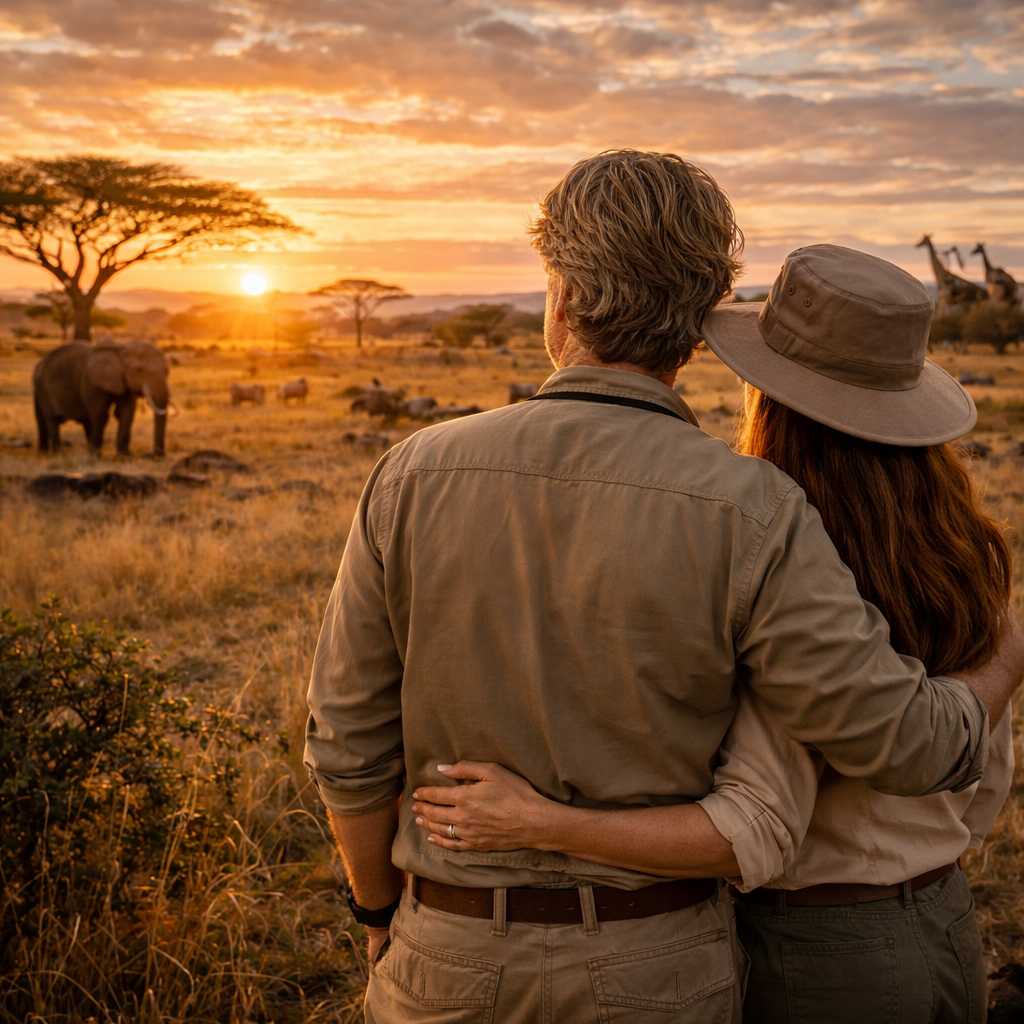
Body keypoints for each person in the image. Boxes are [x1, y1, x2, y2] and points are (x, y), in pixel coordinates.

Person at [304, 155, 1012, 1024]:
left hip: (446, 952)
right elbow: (905, 746)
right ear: (698, 327)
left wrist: (377, 910)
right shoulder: (756, 509)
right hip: (658, 962)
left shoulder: (410, 472)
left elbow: (347, 744)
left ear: (559, 300)